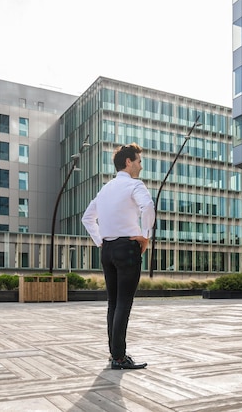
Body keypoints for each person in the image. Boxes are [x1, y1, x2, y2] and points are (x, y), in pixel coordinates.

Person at [82, 143, 155, 370]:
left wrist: (100, 241)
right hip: (127, 248)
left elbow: (87, 218)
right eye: (139, 161)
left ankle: (115, 354)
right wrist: (145, 236)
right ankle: (120, 357)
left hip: (108, 250)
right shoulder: (134, 185)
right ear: (128, 162)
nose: (141, 166)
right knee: (123, 303)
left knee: (113, 303)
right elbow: (148, 206)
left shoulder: (105, 189)